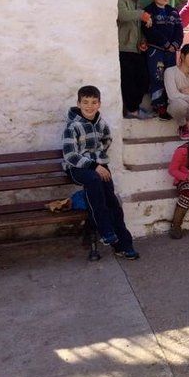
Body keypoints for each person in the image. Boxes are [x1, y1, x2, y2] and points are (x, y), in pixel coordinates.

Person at [62, 85, 138, 259]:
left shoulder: (100, 122)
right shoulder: (72, 126)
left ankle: (124, 245)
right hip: (77, 168)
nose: (90, 106)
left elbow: (107, 138)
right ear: (78, 103)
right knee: (94, 181)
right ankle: (105, 231)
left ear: (99, 104)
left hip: (99, 168)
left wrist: (98, 156)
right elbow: (70, 155)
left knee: (112, 202)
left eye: (94, 102)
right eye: (85, 102)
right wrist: (94, 165)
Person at [142, 0, 183, 119]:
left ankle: (171, 103)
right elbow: (150, 31)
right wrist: (165, 43)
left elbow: (179, 30)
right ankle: (159, 105)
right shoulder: (148, 11)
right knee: (157, 76)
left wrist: (176, 44)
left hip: (171, 51)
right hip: (156, 50)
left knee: (170, 76)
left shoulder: (173, 11)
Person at [117, 0, 153, 119]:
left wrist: (143, 41)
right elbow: (123, 15)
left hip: (136, 48)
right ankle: (132, 110)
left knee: (143, 79)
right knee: (129, 81)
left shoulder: (136, 0)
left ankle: (134, 107)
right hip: (124, 47)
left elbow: (137, 26)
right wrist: (141, 15)